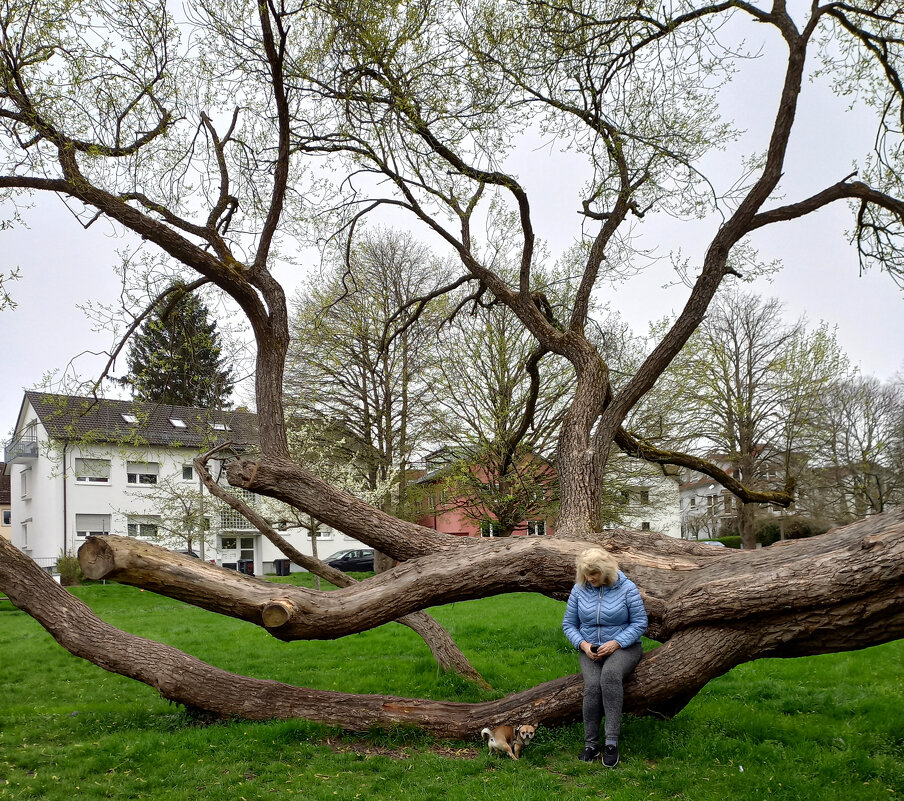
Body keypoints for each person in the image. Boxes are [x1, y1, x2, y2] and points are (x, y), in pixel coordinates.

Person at [562, 547, 648, 767]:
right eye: (586, 574)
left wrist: (617, 642)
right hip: (590, 649)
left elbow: (640, 623)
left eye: (594, 574)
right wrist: (583, 644)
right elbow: (569, 624)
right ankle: (590, 744)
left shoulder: (627, 588)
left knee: (609, 677)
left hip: (624, 647)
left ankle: (611, 743)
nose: (590, 578)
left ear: (606, 571)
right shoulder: (579, 590)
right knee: (592, 686)